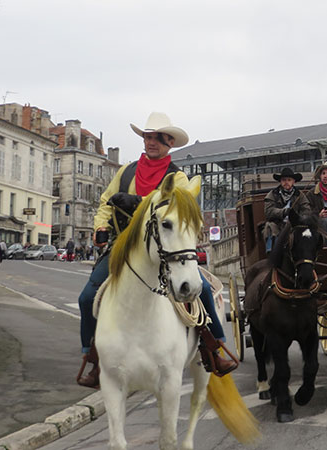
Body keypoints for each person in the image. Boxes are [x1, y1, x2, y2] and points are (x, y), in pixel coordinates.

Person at [76, 112, 236, 388]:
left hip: (166, 248)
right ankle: (94, 357)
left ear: (169, 143)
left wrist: (136, 202)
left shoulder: (179, 178)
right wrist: (101, 226)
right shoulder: (126, 172)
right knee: (87, 297)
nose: (150, 143)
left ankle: (213, 347)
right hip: (124, 246)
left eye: (156, 139)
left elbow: (178, 208)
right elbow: (105, 202)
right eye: (147, 137)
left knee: (203, 290)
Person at [263, 168, 311, 253]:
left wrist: (297, 216)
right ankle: (272, 253)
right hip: (278, 225)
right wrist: (284, 212)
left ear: (293, 182)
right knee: (269, 227)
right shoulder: (272, 194)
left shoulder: (300, 195)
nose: (286, 182)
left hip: (295, 225)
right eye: (284, 180)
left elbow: (306, 210)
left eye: (289, 180)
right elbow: (269, 211)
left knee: (308, 231)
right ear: (280, 182)